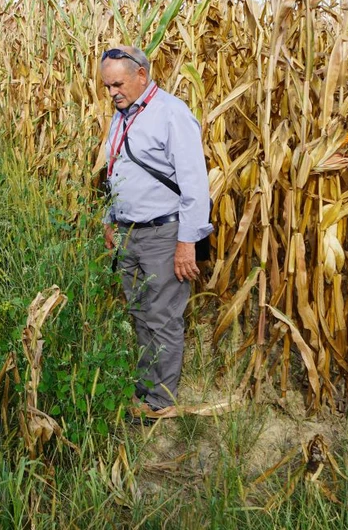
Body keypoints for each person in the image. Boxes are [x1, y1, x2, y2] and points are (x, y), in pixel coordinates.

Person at [99, 45, 212, 417]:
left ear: (142, 76)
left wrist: (186, 243)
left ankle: (160, 403)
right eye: (107, 86)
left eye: (118, 84)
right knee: (140, 312)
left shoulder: (171, 114)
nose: (113, 92)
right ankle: (145, 387)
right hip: (129, 233)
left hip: (164, 234)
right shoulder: (123, 114)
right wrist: (110, 218)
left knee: (162, 316)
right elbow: (116, 169)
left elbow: (195, 183)